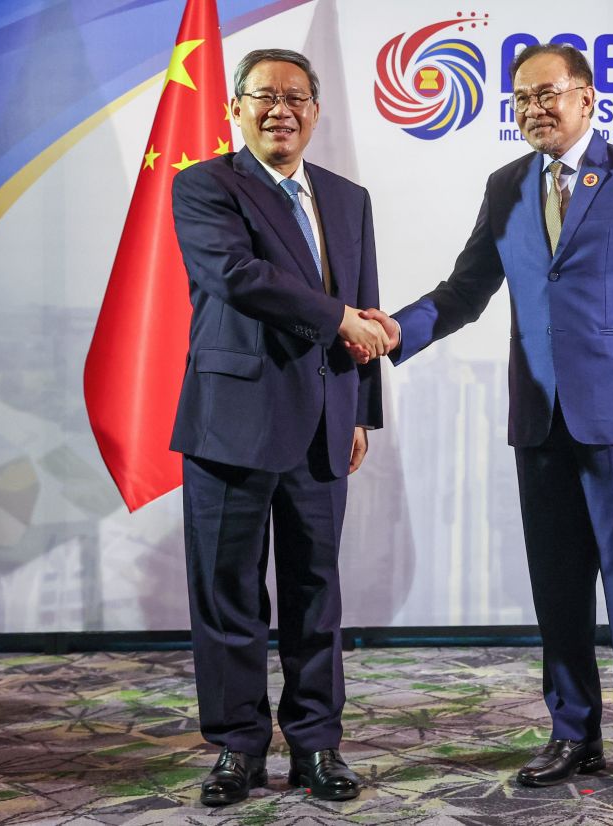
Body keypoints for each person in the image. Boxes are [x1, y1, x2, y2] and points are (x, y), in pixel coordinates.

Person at [356, 43, 613, 792]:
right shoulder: (506, 185)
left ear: (586, 97)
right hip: (539, 420)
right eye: (520, 99)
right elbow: (467, 288)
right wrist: (396, 330)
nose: (534, 109)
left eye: (547, 94)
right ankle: (573, 732)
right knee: (557, 586)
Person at [170, 48, 390, 806]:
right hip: (231, 423)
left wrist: (361, 409)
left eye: (296, 98)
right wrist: (336, 319)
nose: (280, 110)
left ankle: (316, 745)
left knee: (315, 594)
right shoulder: (204, 185)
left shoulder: (348, 197)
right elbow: (237, 277)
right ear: (235, 108)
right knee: (228, 594)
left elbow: (365, 298)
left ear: (315, 112)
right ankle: (236, 749)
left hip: (325, 425)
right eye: (263, 96)